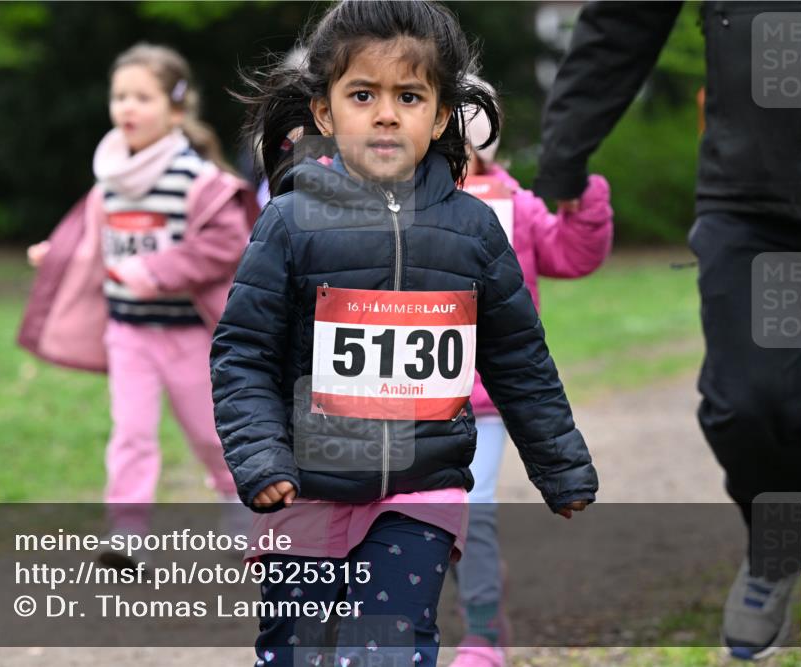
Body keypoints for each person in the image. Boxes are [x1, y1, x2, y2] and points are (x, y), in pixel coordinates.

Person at [211, 2, 598, 665]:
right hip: (302, 485)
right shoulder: (289, 223)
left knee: (387, 646)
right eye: (363, 94)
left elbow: (517, 357)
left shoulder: (475, 232)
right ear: (326, 114)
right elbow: (243, 355)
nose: (386, 113)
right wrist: (262, 459)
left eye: (409, 95)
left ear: (442, 115)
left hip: (422, 487)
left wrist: (560, 466)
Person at [533, 1, 801, 660]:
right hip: (752, 205)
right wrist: (566, 150)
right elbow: (621, 23)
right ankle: (785, 541)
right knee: (744, 407)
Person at [20, 43, 258, 567]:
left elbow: (226, 244)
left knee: (213, 436)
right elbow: (87, 235)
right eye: (120, 96)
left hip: (192, 337)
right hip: (127, 334)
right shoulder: (111, 179)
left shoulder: (197, 180)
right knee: (130, 434)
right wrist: (54, 254)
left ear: (176, 109)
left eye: (142, 97)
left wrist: (155, 271)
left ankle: (245, 519)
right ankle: (128, 535)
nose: (127, 107)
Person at [449, 88, 614, 667]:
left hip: (484, 393)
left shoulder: (515, 203)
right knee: (419, 514)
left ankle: (483, 635)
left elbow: (572, 254)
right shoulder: (396, 201)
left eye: (463, 143)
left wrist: (581, 197)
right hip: (404, 391)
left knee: (473, 508)